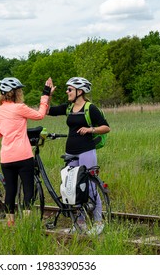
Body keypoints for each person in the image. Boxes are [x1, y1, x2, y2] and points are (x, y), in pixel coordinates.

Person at [47, 77, 110, 235]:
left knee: (90, 187)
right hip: (71, 153)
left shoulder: (90, 108)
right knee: (72, 189)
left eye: (70, 89)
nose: (67, 92)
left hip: (86, 151)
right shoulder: (69, 107)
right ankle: (80, 223)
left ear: (79, 91)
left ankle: (98, 222)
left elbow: (106, 127)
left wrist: (90, 130)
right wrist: (48, 95)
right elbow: (48, 111)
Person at [0, 77, 52, 226]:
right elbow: (40, 115)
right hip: (23, 156)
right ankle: (25, 224)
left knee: (10, 190)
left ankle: (10, 223)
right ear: (16, 93)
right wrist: (45, 96)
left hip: (6, 158)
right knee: (28, 189)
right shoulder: (20, 108)